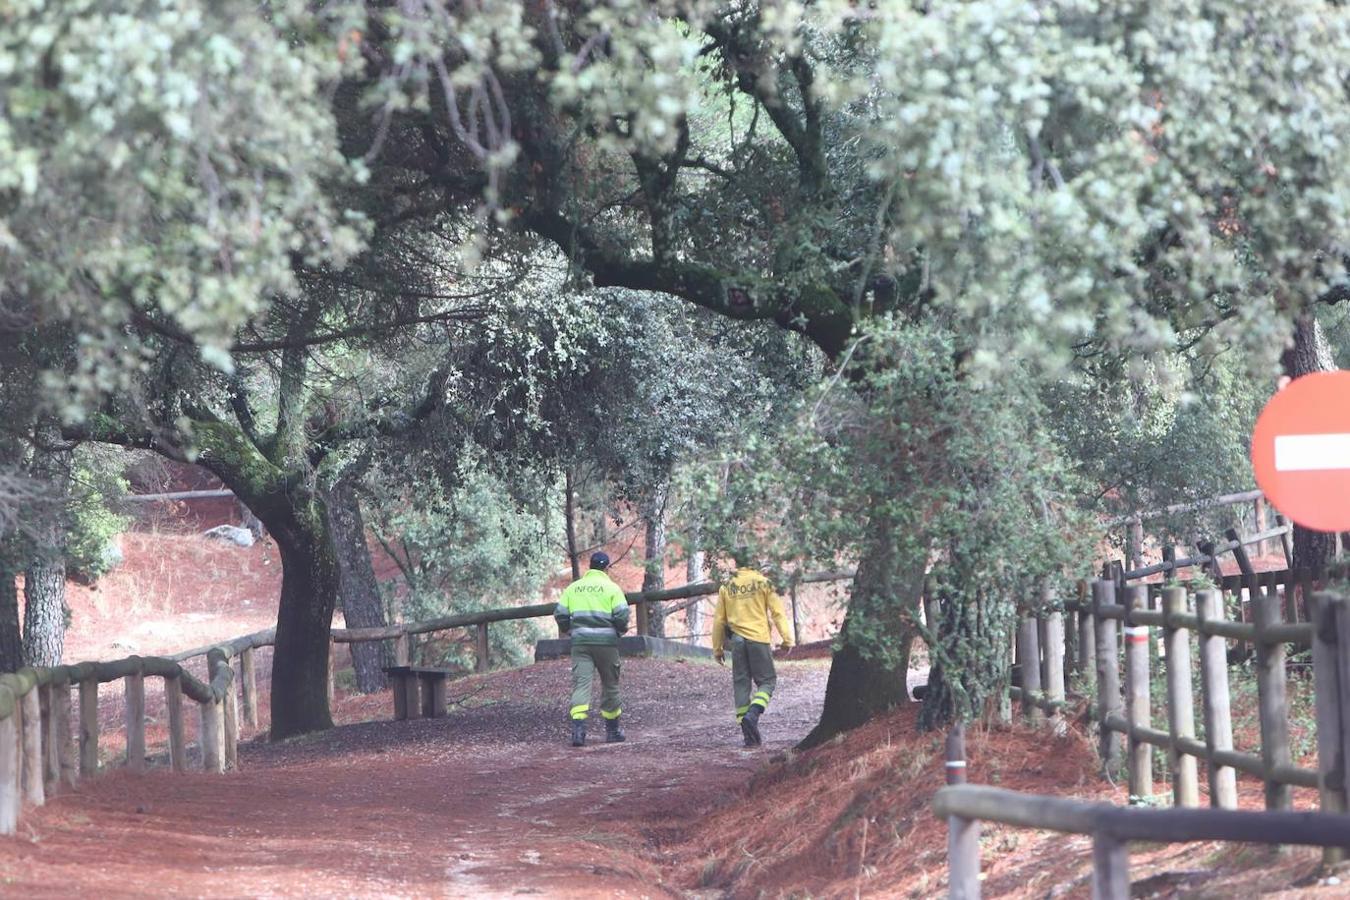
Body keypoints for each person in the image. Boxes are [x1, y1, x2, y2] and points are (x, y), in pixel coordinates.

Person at [712, 551, 794, 747]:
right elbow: (777, 613)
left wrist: (717, 648)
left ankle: (748, 736)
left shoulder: (727, 586)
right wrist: (787, 639)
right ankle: (754, 713)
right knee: (767, 681)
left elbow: (719, 620)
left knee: (741, 685)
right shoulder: (763, 582)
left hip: (737, 642)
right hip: (758, 639)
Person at [554, 550, 630, 747]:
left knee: (581, 685)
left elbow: (560, 614)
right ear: (606, 568)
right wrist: (619, 630)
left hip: (581, 644)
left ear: (590, 566)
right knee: (610, 684)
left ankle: (578, 732)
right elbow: (622, 615)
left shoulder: (574, 588)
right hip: (607, 644)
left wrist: (569, 630)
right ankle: (612, 731)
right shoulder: (612, 588)